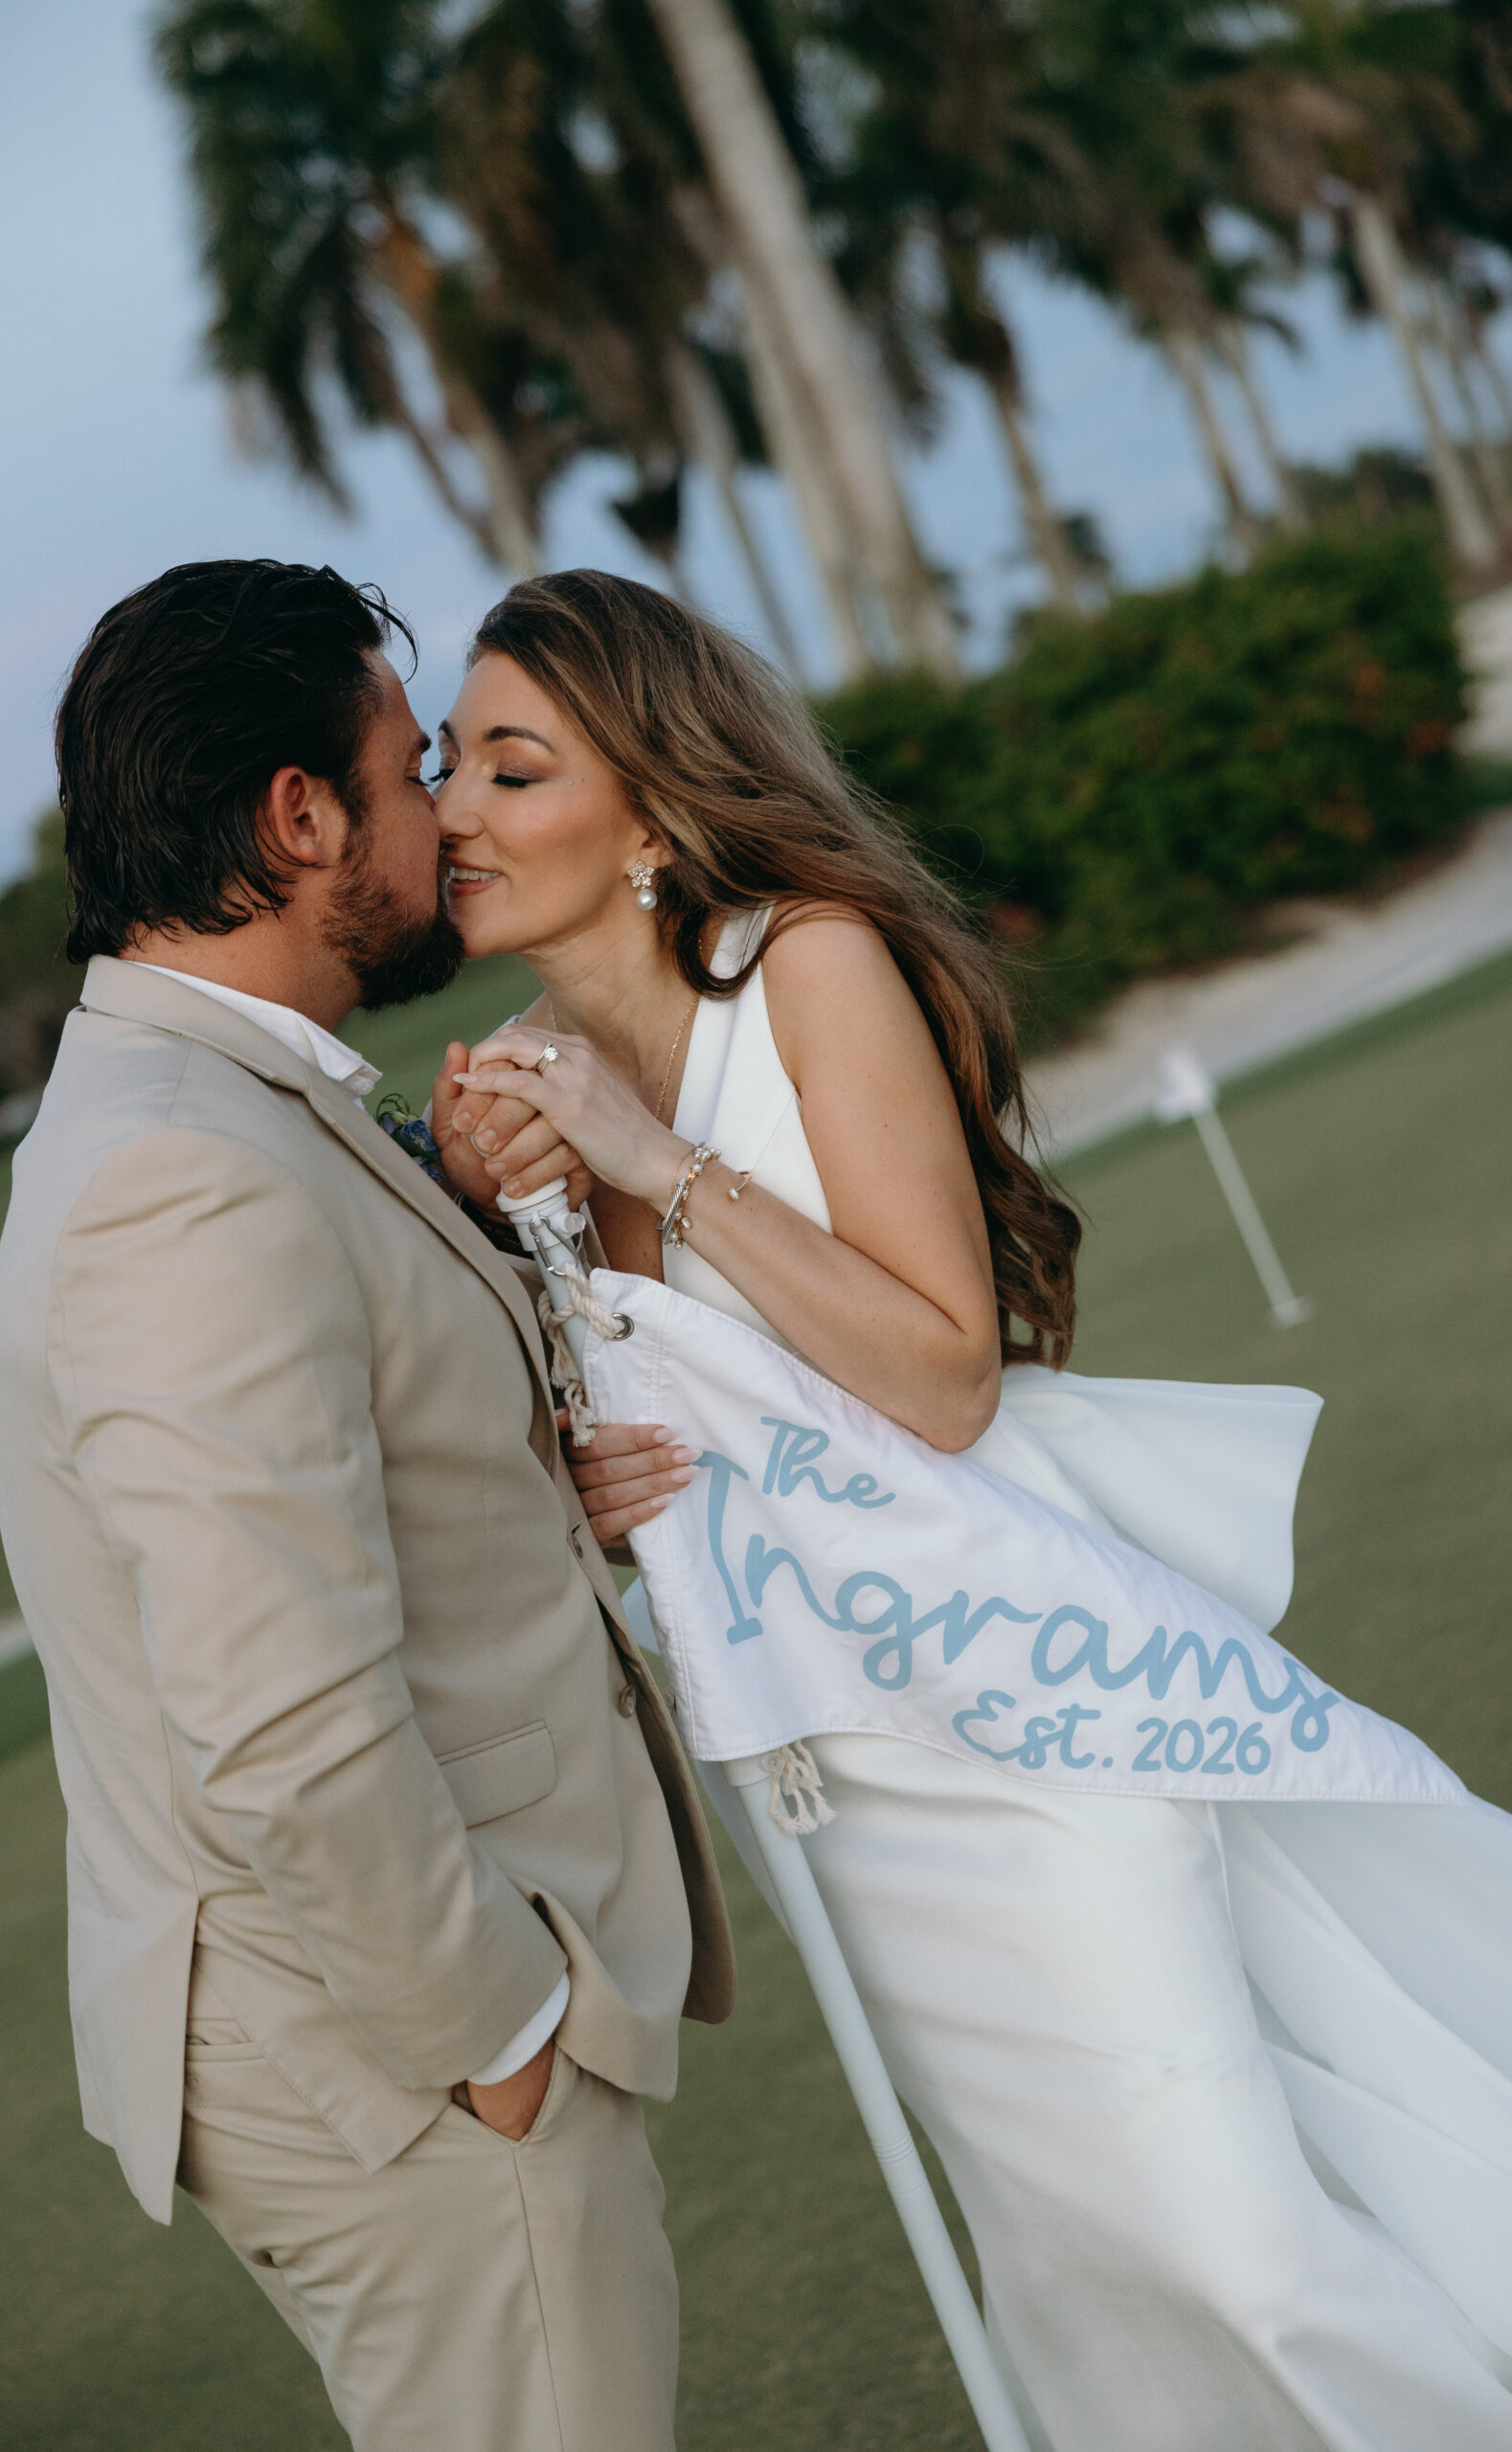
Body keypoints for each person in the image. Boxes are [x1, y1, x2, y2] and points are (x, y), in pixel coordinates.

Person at [428, 566, 1512, 2452]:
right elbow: (593, 1478)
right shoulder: (501, 1107)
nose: (452, 808)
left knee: (1233, 2234)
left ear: (651, 811)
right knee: (1080, 2251)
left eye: (511, 768)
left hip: (1027, 1702)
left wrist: (657, 1164)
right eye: (447, 764)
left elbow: (937, 1372)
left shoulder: (806, 965)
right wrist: (578, 1468)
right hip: (832, 1783)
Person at [0, 558, 733, 2452]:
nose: (448, 813)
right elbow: (280, 1707)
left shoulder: (221, 1107)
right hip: (385, 2041)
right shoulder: (185, 1172)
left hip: (355, 2017)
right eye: (415, 770)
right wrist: (495, 2035)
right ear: (296, 819)